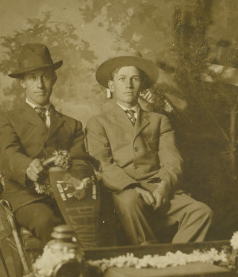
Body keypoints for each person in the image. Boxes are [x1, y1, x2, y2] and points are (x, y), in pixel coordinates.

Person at [85, 52, 213, 245]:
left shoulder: (159, 120)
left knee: (202, 212)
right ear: (111, 86)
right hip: (124, 189)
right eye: (122, 79)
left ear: (142, 85)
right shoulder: (98, 123)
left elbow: (172, 159)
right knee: (129, 201)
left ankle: (173, 262)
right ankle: (148, 254)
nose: (128, 85)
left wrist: (164, 186)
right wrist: (133, 187)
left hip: (157, 186)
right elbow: (102, 164)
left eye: (134, 79)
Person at [0, 43, 90, 245]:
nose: (40, 85)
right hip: (27, 197)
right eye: (32, 78)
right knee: (47, 221)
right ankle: (64, 274)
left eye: (45, 77)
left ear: (53, 79)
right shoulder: (6, 119)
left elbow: (80, 160)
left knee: (102, 217)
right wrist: (27, 166)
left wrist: (68, 164)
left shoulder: (72, 124)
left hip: (68, 195)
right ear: (22, 82)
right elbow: (7, 153)